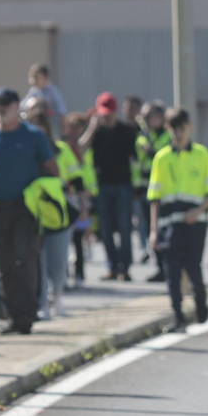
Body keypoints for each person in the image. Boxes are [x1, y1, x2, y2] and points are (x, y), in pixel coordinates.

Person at [0, 86, 59, 335]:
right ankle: (13, 315)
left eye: (6, 104)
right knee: (4, 264)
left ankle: (27, 315)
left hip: (27, 208)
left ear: (16, 107)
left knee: (26, 260)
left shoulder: (33, 136)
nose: (0, 109)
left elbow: (52, 169)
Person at [147, 107, 208, 331]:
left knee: (194, 268)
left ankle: (201, 306)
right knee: (172, 273)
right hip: (169, 225)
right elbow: (155, 198)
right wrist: (153, 231)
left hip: (195, 225)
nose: (178, 133)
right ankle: (178, 316)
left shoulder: (202, 154)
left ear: (189, 128)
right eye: (173, 129)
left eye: (182, 128)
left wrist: (197, 211)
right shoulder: (161, 157)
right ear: (168, 129)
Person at [25, 105, 83, 321]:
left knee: (58, 262)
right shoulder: (25, 153)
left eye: (41, 127)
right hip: (35, 215)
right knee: (38, 262)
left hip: (59, 215)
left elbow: (78, 181)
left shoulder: (61, 150)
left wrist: (83, 207)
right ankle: (42, 302)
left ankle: (57, 295)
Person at [79, 93, 138, 281]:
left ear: (116, 111)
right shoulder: (97, 132)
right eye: (103, 114)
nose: (107, 117)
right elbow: (80, 149)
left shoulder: (127, 131)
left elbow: (137, 156)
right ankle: (112, 267)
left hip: (123, 185)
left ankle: (125, 268)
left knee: (124, 227)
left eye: (109, 113)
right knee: (105, 229)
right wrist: (92, 128)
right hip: (102, 186)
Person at [135, 101, 171, 282]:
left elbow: (157, 156)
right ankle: (160, 268)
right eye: (144, 117)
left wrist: (150, 148)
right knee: (152, 231)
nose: (146, 120)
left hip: (162, 190)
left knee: (165, 230)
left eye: (150, 116)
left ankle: (168, 267)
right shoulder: (142, 136)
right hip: (144, 189)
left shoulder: (167, 136)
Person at [62, 111, 95, 284]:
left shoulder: (80, 146)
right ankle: (65, 274)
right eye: (72, 127)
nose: (75, 131)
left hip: (81, 194)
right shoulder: (65, 145)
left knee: (79, 237)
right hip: (67, 195)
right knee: (66, 239)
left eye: (79, 128)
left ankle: (80, 273)